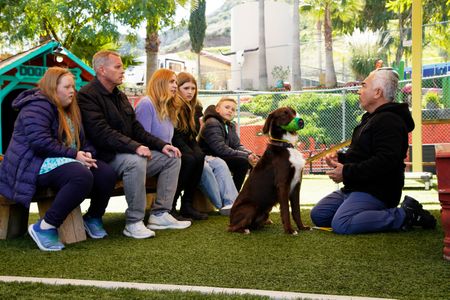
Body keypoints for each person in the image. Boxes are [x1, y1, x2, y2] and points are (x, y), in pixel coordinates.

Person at [0, 67, 117, 251]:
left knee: (106, 173)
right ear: (53, 88)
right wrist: (75, 155)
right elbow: (39, 142)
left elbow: (82, 141)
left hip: (59, 159)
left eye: (73, 86)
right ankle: (45, 227)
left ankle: (93, 217)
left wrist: (86, 152)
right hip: (30, 163)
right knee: (80, 175)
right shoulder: (37, 105)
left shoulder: (71, 108)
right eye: (67, 86)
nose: (72, 90)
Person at [77, 51, 190, 240]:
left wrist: (162, 145)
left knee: (171, 157)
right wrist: (135, 147)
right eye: (118, 66)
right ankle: (134, 222)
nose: (123, 71)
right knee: (135, 161)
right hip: (105, 156)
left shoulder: (119, 96)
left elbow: (136, 129)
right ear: (102, 70)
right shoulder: (87, 95)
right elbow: (101, 133)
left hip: (125, 152)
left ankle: (159, 214)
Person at [310, 68, 436, 234]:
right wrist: (340, 159)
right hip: (356, 187)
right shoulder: (370, 118)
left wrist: (346, 172)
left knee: (342, 223)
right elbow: (363, 155)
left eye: (364, 86)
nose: (359, 91)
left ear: (377, 92)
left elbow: (385, 161)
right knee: (319, 215)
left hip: (377, 191)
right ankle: (367, 213)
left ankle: (405, 214)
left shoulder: (390, 121)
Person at [134, 69, 205, 221]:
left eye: (175, 82)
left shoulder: (166, 106)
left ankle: (179, 207)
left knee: (197, 157)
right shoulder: (146, 104)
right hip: (148, 155)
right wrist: (163, 147)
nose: (175, 85)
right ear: (160, 83)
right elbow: (141, 136)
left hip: (163, 152)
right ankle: (165, 209)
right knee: (180, 158)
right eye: (172, 82)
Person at [174, 72, 237, 217]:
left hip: (192, 148)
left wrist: (199, 154)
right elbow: (175, 136)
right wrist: (196, 154)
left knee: (218, 163)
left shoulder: (195, 108)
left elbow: (192, 136)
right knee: (202, 165)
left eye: (193, 88)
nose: (190, 92)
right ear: (177, 88)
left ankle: (232, 202)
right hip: (178, 149)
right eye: (186, 88)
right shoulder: (172, 107)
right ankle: (221, 205)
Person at [198, 97, 259, 191]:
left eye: (233, 110)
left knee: (259, 160)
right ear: (217, 109)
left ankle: (251, 193)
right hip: (211, 157)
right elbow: (220, 149)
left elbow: (237, 145)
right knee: (242, 162)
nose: (230, 111)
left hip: (222, 155)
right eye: (227, 107)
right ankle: (233, 196)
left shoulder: (230, 125)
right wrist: (247, 156)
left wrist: (250, 154)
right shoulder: (212, 122)